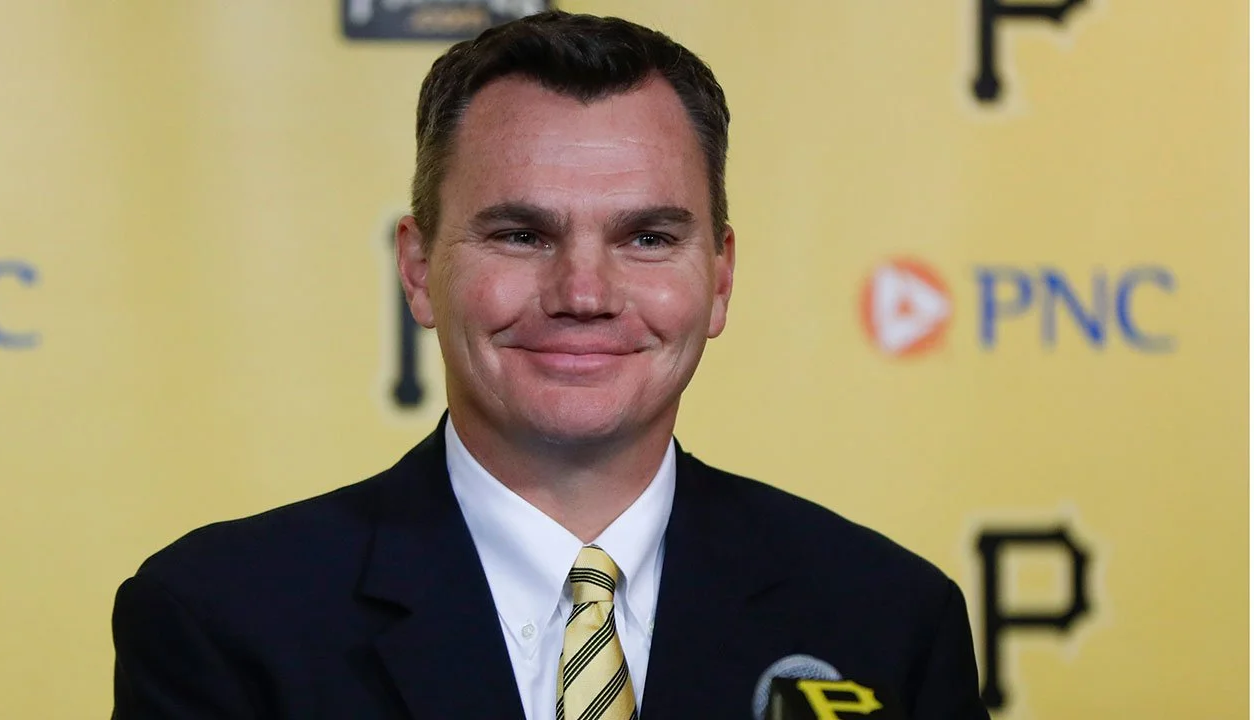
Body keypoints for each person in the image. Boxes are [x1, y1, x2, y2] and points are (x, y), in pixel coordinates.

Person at [111, 11, 989, 720]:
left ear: (720, 278)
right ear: (417, 268)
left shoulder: (888, 619)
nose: (584, 293)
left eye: (648, 238)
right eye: (521, 235)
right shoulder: (223, 618)